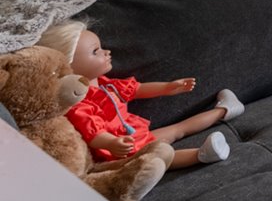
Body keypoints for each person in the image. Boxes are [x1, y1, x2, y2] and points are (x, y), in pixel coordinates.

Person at [36, 18, 245, 169]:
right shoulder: (78, 102)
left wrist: (167, 87)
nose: (106, 52)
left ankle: (225, 110)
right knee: (156, 157)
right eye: (96, 51)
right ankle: (201, 155)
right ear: (70, 65)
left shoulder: (106, 85)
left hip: (135, 134)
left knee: (178, 129)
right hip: (120, 149)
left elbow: (136, 89)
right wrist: (111, 143)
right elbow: (93, 132)